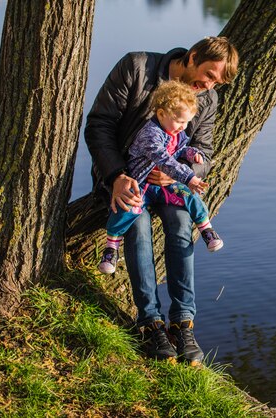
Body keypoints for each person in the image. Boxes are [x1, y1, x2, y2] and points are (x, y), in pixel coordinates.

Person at [85, 37, 239, 365]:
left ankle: (183, 322)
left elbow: (204, 152)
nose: (209, 86)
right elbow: (99, 126)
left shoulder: (207, 99)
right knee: (138, 228)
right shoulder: (136, 67)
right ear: (192, 56)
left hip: (168, 184)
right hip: (124, 179)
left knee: (182, 224)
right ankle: (150, 322)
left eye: (216, 82)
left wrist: (179, 173)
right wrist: (115, 175)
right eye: (208, 75)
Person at [97, 80, 224, 277]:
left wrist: (191, 154)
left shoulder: (175, 132)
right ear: (161, 113)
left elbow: (179, 149)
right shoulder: (150, 134)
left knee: (189, 196)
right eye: (180, 121)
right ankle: (111, 247)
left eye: (187, 122)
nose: (183, 127)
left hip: (164, 186)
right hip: (141, 183)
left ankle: (206, 229)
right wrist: (189, 176)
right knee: (127, 206)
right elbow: (163, 159)